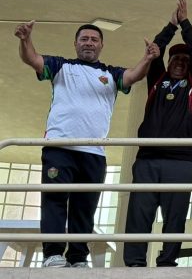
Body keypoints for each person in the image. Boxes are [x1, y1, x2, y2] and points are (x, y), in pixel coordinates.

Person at [15, 21, 158, 268]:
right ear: (75, 43)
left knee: (85, 206)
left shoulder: (111, 73)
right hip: (59, 147)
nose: (89, 42)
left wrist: (147, 58)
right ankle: (52, 254)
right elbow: (32, 59)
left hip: (94, 152)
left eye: (94, 39)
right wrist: (25, 40)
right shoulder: (60, 66)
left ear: (101, 45)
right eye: (84, 39)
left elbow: (134, 75)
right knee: (55, 201)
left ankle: (78, 257)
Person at [124, 0, 192, 267]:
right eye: (176, 58)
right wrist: (171, 26)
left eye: (186, 59)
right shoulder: (157, 80)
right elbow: (155, 50)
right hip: (147, 159)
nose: (181, 62)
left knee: (175, 216)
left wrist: (185, 23)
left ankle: (167, 263)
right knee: (139, 213)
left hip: (180, 162)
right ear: (169, 61)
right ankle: (135, 263)